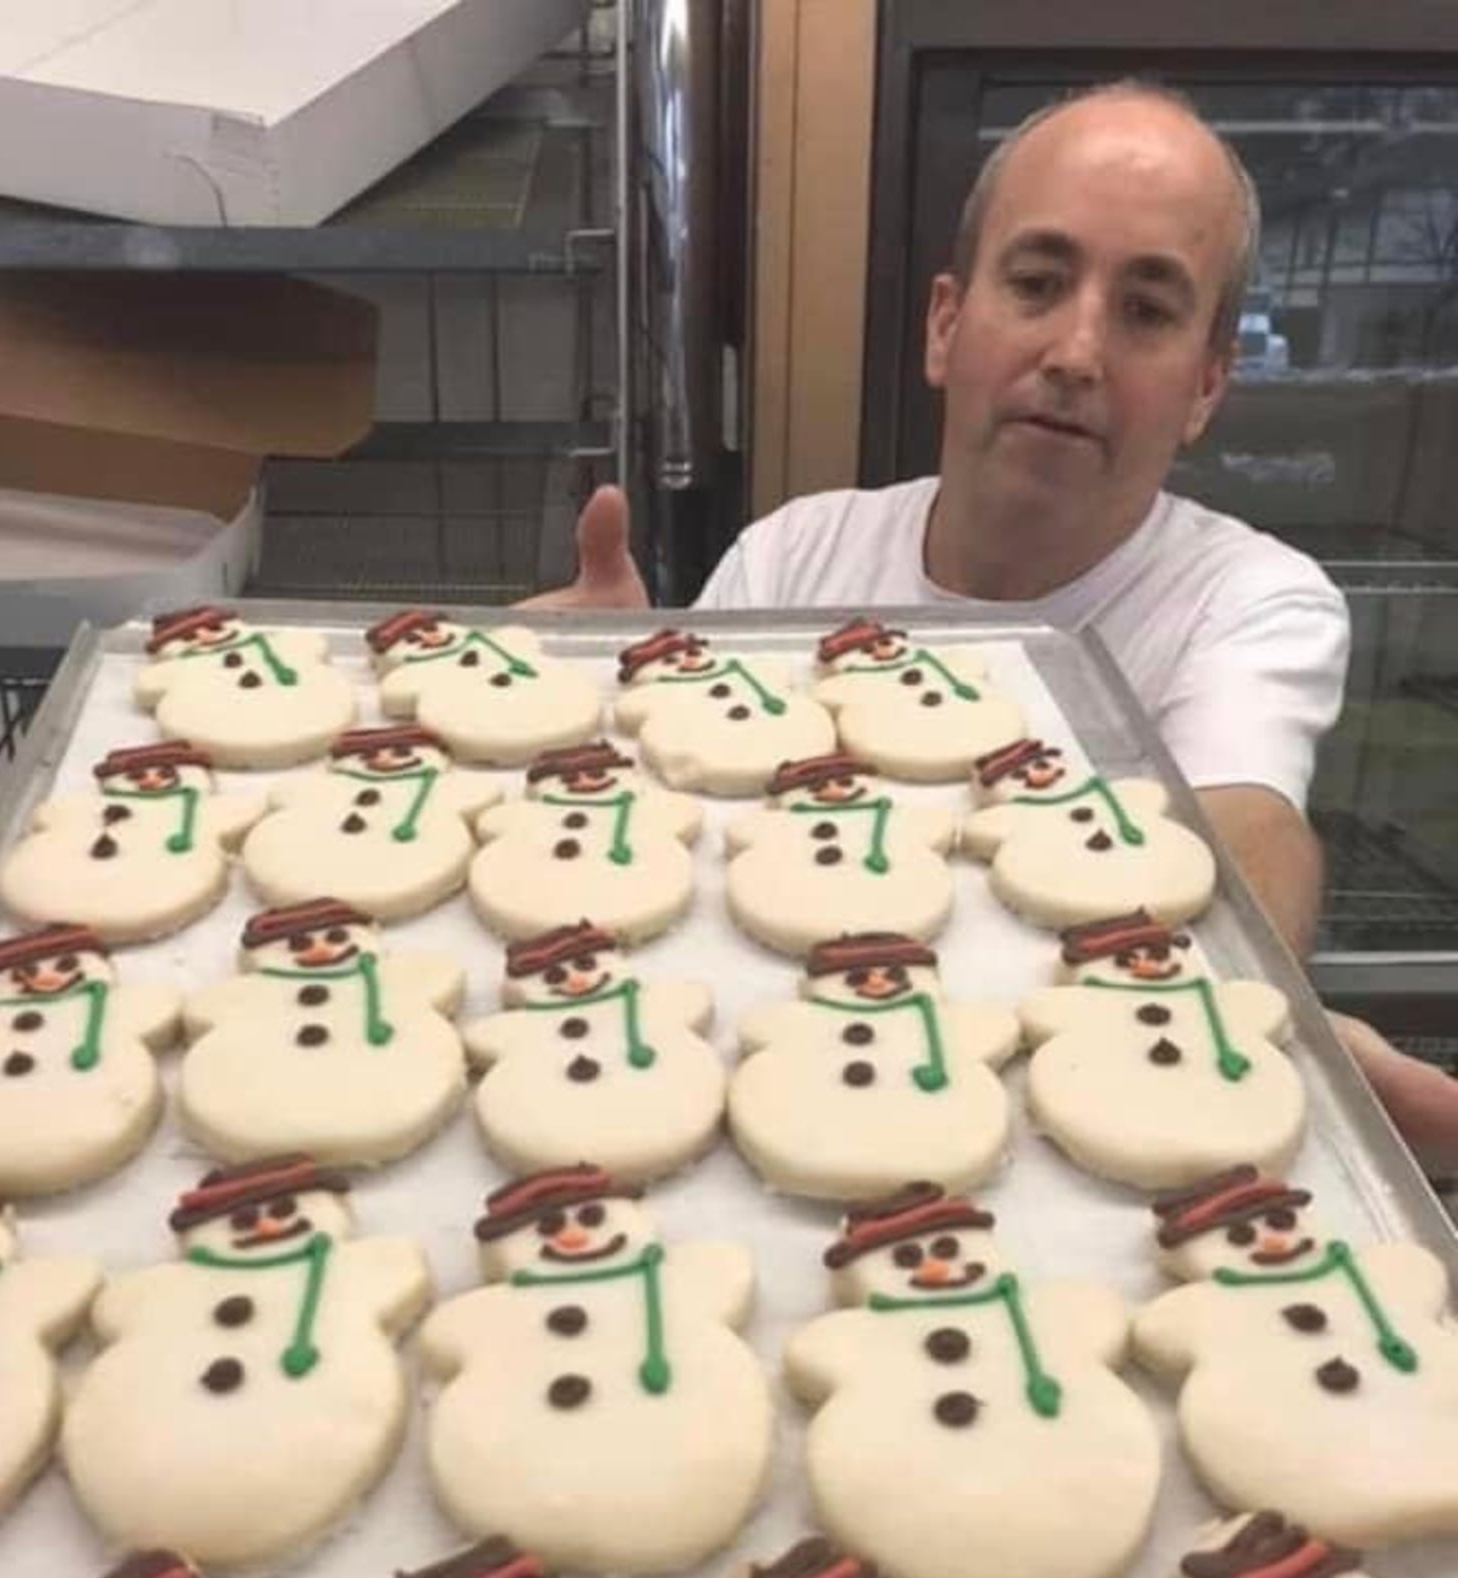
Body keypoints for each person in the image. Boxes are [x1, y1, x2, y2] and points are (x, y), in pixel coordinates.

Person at [528, 79, 1458, 1177]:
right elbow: (682, 875)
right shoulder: (793, 556)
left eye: (1147, 310)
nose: (1075, 350)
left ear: (1206, 385)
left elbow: (1245, 828)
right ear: (945, 323)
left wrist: (1235, 992)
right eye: (1036, 281)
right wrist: (579, 713)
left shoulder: (1245, 600)